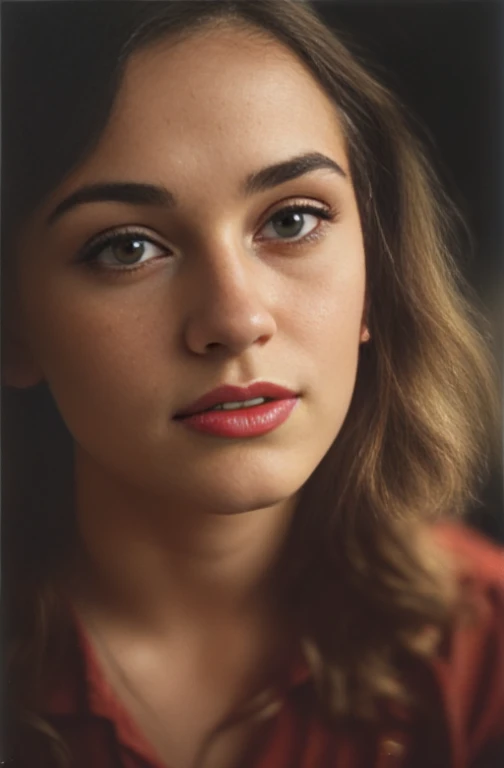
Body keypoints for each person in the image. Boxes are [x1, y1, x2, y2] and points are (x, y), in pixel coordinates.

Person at [1, 1, 503, 767]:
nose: (235, 320)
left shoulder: (482, 651)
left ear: (377, 275)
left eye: (294, 221)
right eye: (127, 246)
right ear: (15, 324)